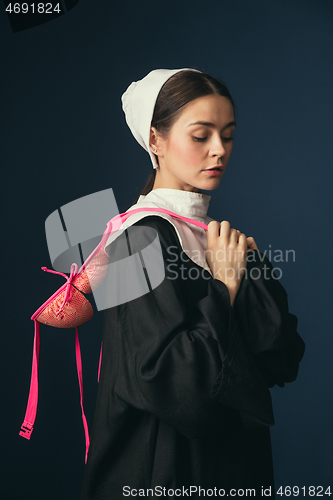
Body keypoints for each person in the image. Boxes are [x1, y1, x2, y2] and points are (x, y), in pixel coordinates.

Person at [81, 68, 305, 499]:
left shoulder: (216, 238)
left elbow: (282, 358)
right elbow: (166, 381)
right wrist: (225, 286)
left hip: (235, 470)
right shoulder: (137, 239)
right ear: (155, 141)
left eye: (228, 134)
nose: (219, 150)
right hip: (163, 472)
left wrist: (247, 275)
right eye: (201, 135)